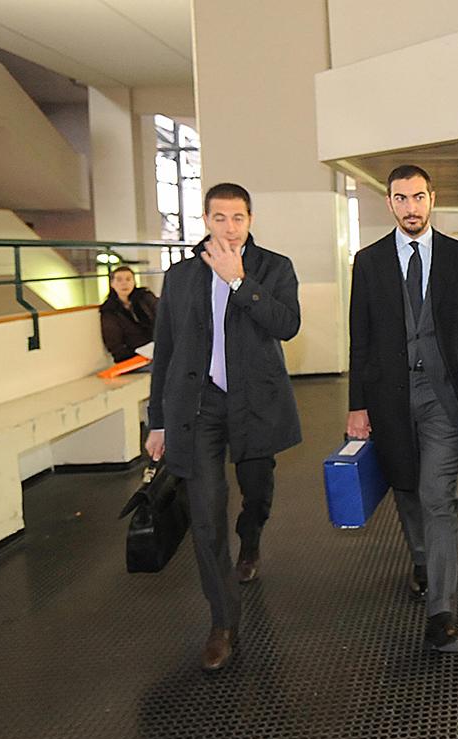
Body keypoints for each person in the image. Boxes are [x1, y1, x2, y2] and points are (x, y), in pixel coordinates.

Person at [145, 182, 302, 671]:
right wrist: (159, 422)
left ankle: (250, 537)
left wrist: (239, 281)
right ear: (206, 220)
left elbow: (286, 324)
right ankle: (223, 621)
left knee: (256, 490)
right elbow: (165, 354)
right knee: (206, 515)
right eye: (219, 218)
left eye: (237, 218)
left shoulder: (274, 268)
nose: (229, 227)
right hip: (199, 408)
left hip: (254, 403)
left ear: (250, 220)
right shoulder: (181, 278)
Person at [347, 164, 458, 653]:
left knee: (439, 497)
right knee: (407, 489)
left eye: (418, 197)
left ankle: (441, 610)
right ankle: (420, 557)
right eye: (401, 198)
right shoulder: (369, 262)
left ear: (431, 199)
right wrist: (357, 405)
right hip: (389, 396)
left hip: (443, 397)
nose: (411, 207)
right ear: (390, 203)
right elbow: (361, 339)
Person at [99, 265, 158, 362]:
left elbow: (162, 320)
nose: (124, 283)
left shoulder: (146, 298)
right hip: (132, 357)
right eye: (119, 280)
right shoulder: (109, 310)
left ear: (134, 282)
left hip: (156, 349)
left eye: (128, 279)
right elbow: (114, 343)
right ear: (112, 284)